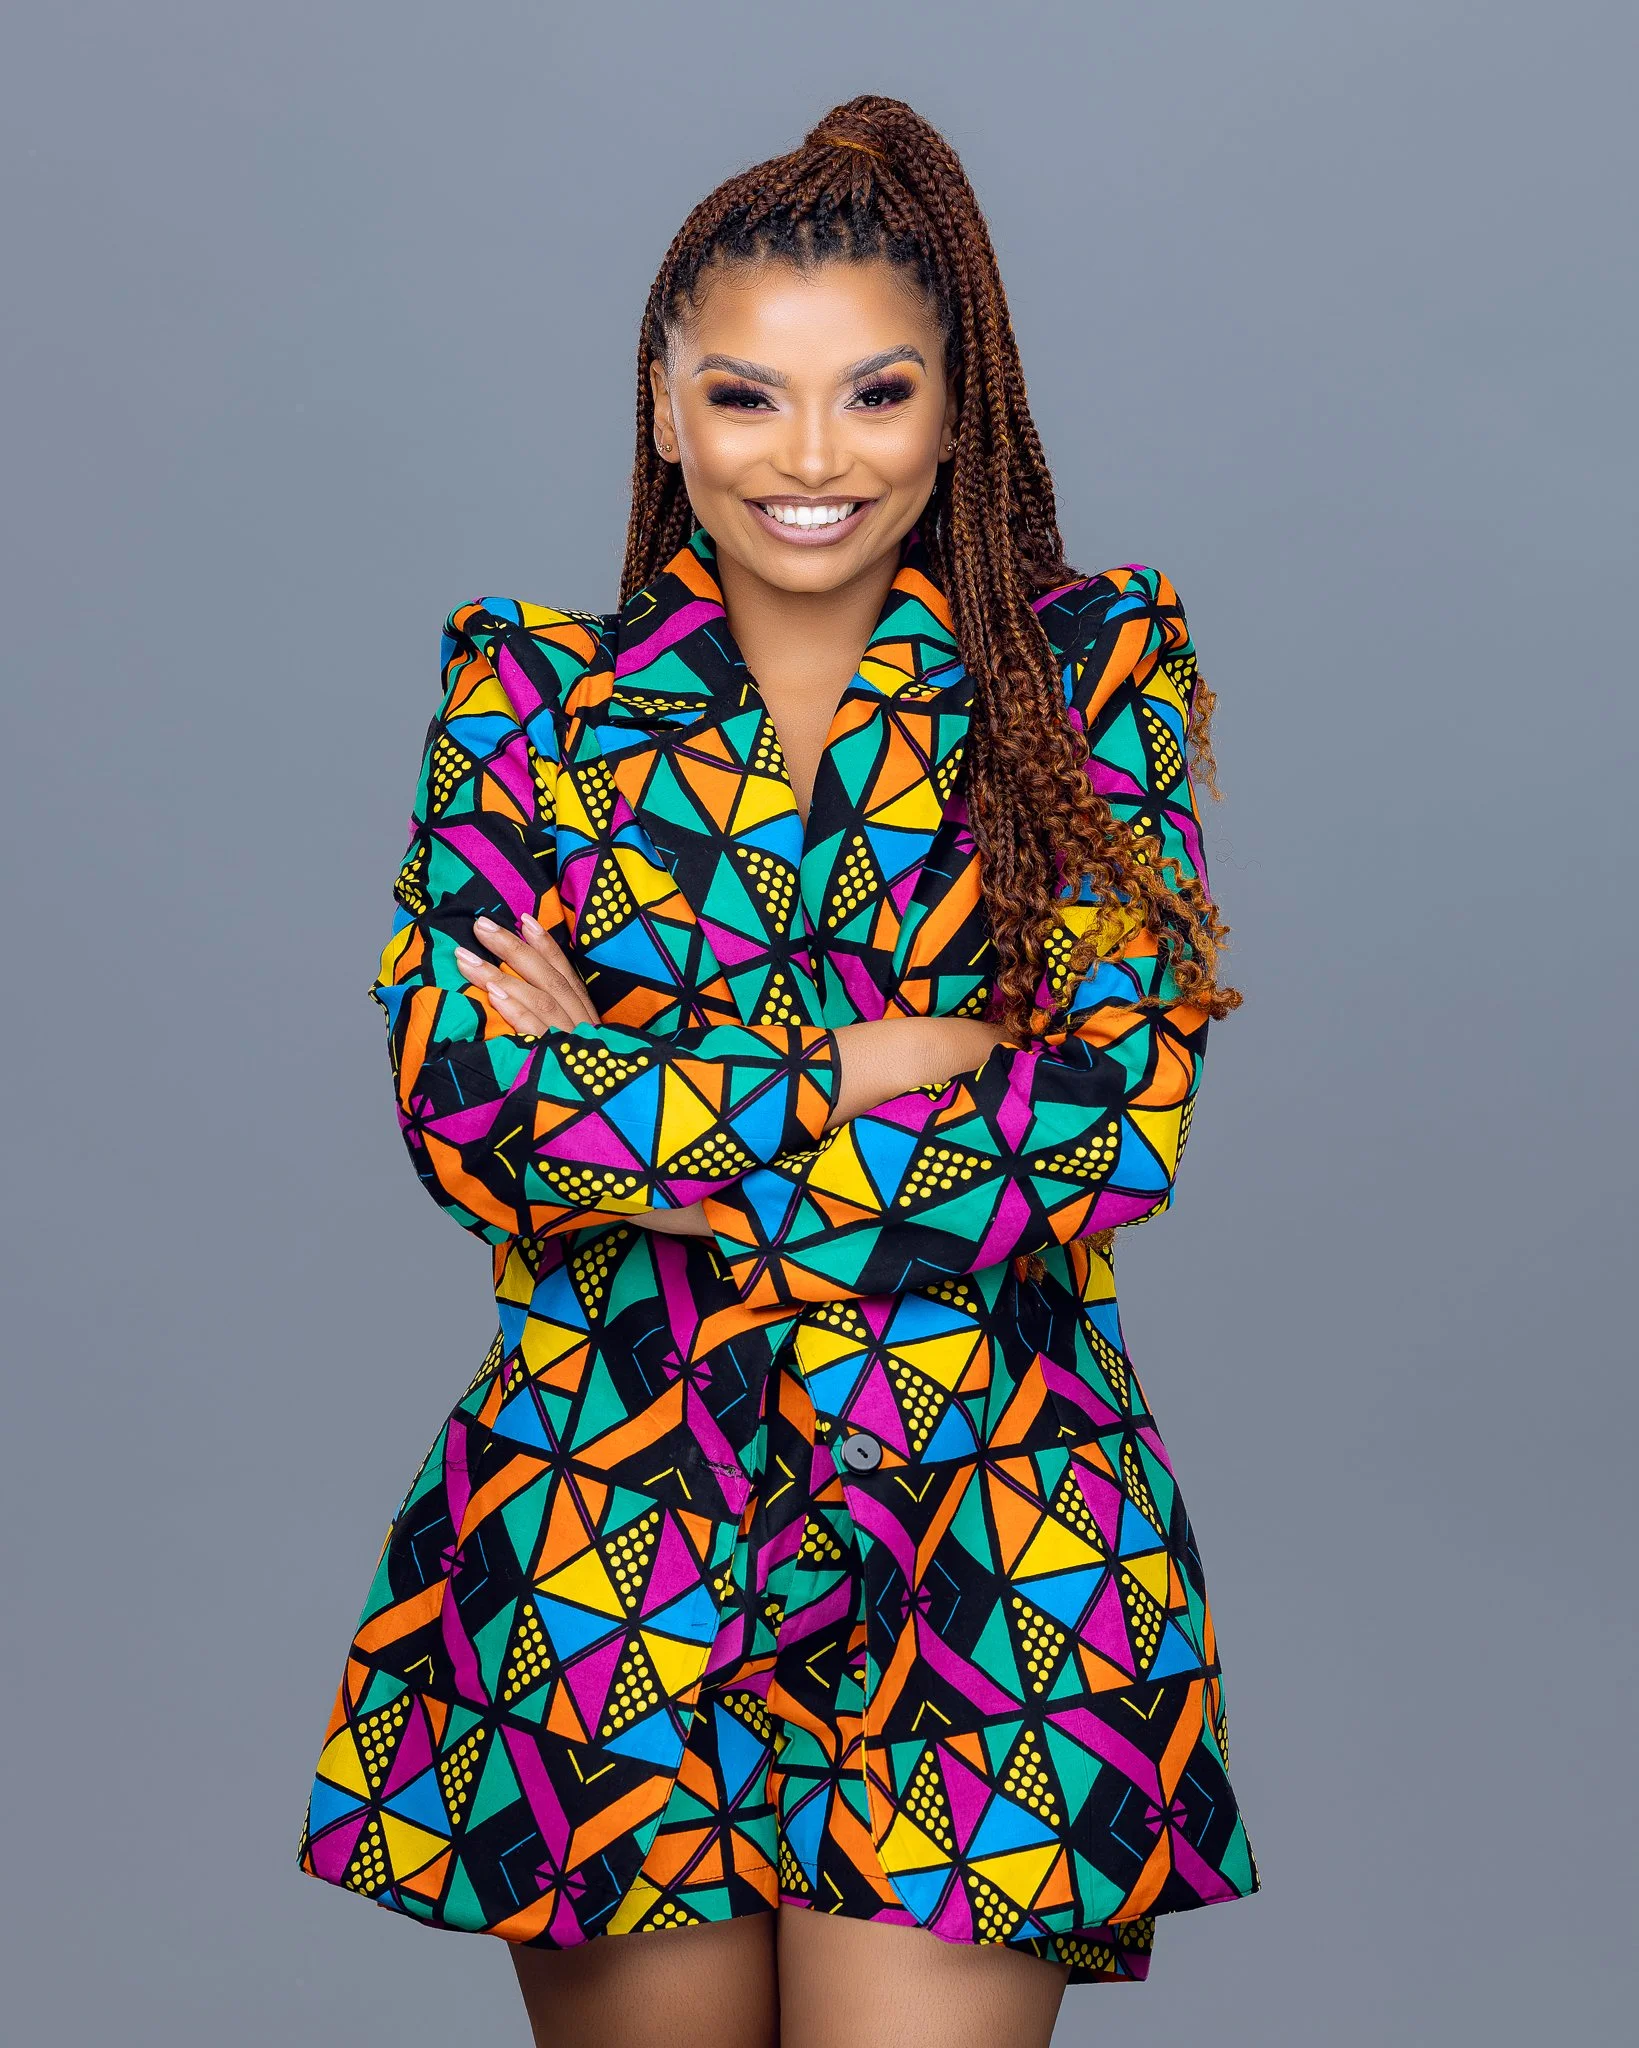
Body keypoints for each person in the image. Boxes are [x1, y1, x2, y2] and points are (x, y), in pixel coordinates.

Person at [298, 93, 1258, 2048]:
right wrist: (872, 1069)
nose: (809, 459)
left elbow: (1094, 1134)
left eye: (874, 395)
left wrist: (638, 1076)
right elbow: (467, 1110)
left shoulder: (1090, 682)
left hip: (994, 1543)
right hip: (604, 1544)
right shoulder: (527, 699)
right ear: (665, 413)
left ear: (953, 411)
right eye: (746, 399)